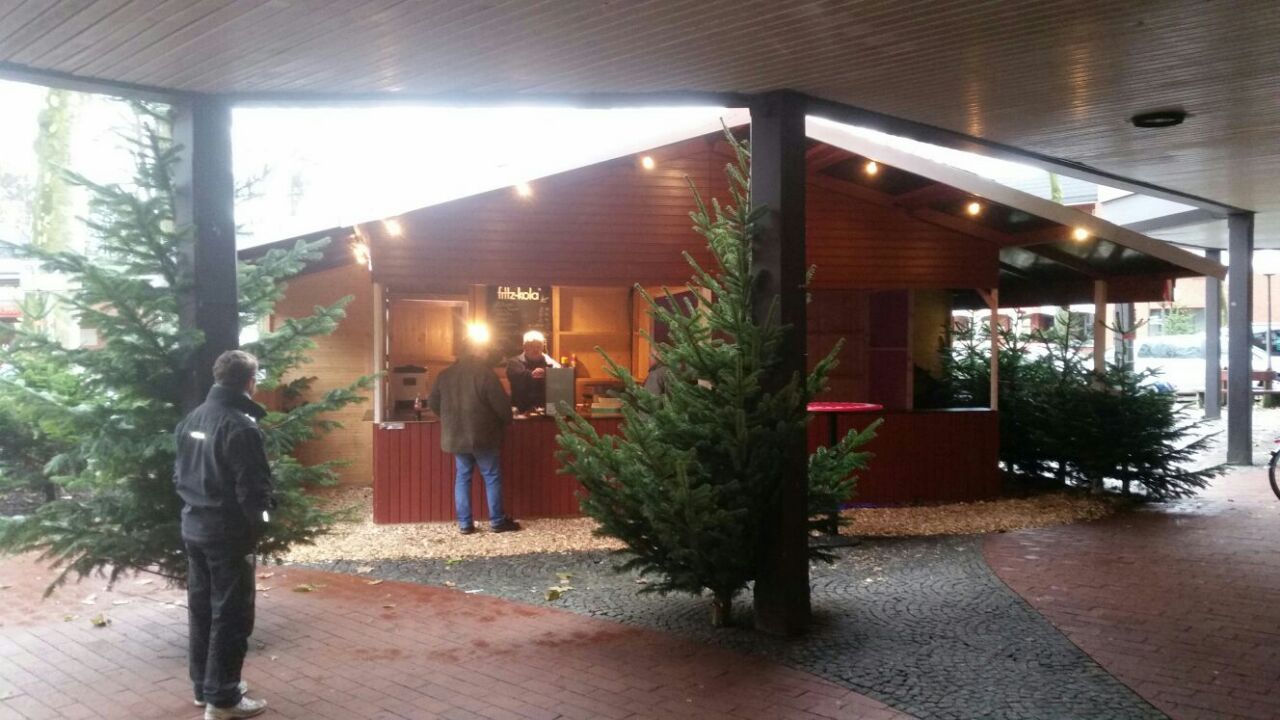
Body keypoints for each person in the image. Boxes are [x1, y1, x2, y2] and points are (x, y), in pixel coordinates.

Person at [174, 350, 273, 719]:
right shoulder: (241, 427)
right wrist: (260, 525)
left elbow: (178, 475)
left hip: (194, 528)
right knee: (232, 616)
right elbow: (254, 492)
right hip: (229, 535)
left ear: (219, 377)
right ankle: (224, 700)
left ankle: (205, 688)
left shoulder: (192, 419)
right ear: (250, 381)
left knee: (202, 610)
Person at [428, 335, 521, 534]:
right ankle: (497, 521)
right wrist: (507, 420)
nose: (487, 353)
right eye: (484, 350)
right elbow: (502, 406)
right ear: (477, 351)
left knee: (463, 477)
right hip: (484, 436)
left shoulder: (445, 375)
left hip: (456, 437)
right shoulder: (485, 374)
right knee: (491, 477)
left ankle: (465, 524)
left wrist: (449, 418)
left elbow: (433, 403)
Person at [506, 330, 561, 412]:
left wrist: (547, 373)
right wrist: (534, 375)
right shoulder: (513, 363)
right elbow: (519, 379)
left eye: (538, 346)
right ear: (524, 347)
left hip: (547, 411)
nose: (535, 349)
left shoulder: (553, 365)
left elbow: (560, 383)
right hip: (521, 410)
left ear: (543, 347)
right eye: (531, 346)